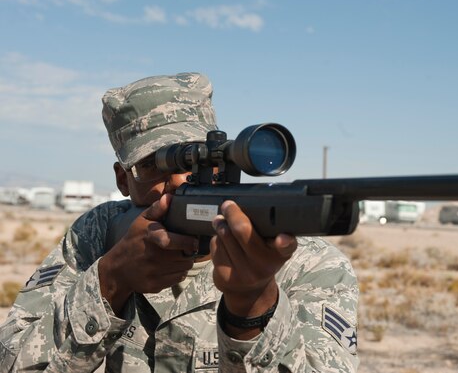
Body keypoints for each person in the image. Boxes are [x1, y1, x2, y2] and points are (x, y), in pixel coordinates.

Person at [0, 73, 359, 372]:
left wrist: (253, 308)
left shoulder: (310, 264)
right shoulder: (95, 236)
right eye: (151, 165)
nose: (178, 179)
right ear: (124, 180)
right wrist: (110, 281)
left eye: (194, 160)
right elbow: (12, 362)